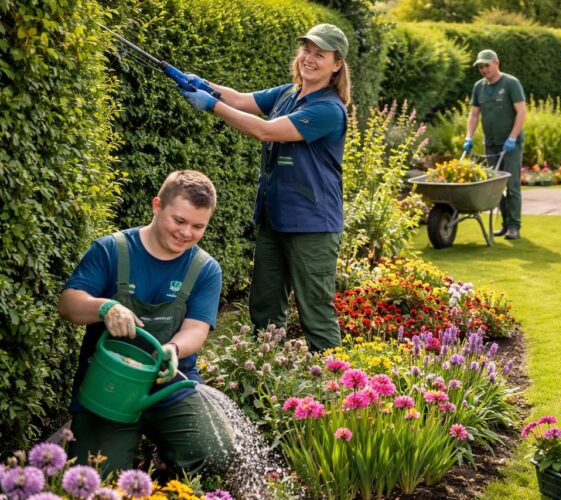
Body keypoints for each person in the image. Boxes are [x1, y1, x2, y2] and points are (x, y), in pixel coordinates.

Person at [178, 24, 350, 351]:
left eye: (320, 55)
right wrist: (205, 85)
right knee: (265, 306)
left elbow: (265, 131)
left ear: (337, 64)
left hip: (313, 224)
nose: (309, 59)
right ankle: (266, 375)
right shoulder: (288, 93)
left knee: (315, 312)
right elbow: (242, 100)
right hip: (276, 218)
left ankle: (334, 390)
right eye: (306, 51)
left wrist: (210, 104)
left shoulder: (328, 109)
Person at [59, 170, 233, 475]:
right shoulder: (111, 250)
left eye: (198, 226)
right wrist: (106, 307)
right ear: (157, 206)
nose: (186, 233)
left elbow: (196, 328)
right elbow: (68, 304)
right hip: (109, 389)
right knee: (94, 480)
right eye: (179, 221)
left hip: (170, 387)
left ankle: (166, 470)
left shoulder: (205, 268)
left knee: (216, 451)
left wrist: (174, 349)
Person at [463, 49, 527, 240]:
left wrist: (513, 137)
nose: (484, 70)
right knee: (495, 186)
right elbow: (474, 114)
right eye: (480, 67)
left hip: (510, 144)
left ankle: (515, 225)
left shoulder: (511, 83)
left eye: (486, 65)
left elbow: (521, 112)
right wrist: (469, 137)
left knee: (513, 184)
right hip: (490, 143)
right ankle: (505, 224)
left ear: (496, 63)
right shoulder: (479, 87)